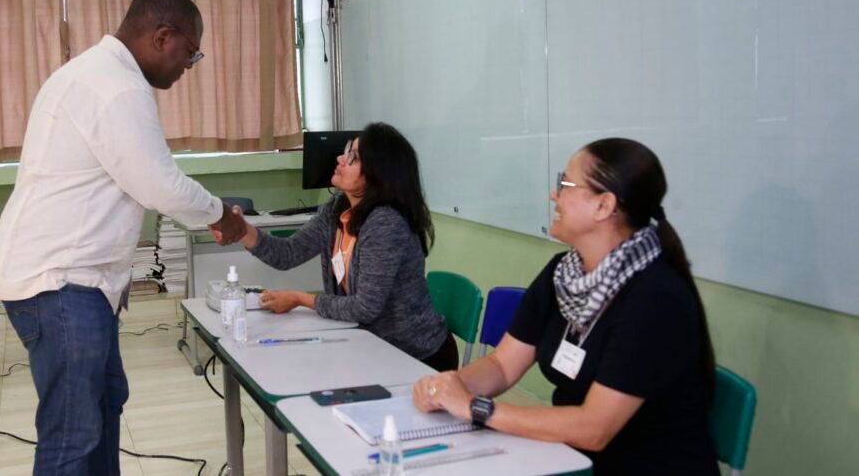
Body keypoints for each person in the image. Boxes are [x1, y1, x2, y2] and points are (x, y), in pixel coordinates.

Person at [0, 0, 247, 475]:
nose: (190, 66)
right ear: (163, 37)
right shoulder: (116, 87)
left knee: (104, 407)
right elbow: (158, 185)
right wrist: (219, 214)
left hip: (74, 283)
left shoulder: (98, 74)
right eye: (191, 53)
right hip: (60, 283)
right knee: (73, 435)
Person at [412, 138, 718, 475]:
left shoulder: (656, 299)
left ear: (604, 205)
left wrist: (475, 408)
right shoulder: (564, 273)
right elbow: (502, 365)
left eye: (565, 184)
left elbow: (594, 428)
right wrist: (447, 387)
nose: (553, 195)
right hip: (567, 457)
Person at [215, 122, 458, 372]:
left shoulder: (385, 223)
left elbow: (365, 308)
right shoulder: (337, 210)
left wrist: (300, 298)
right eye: (346, 151)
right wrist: (242, 230)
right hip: (370, 345)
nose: (341, 158)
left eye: (353, 157)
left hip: (415, 357)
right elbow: (288, 254)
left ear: (378, 172)